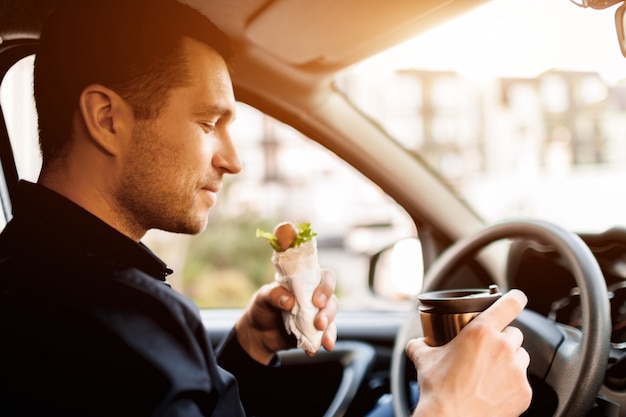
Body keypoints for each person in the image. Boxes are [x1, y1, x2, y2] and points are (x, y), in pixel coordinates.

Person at [0, 0, 531, 416]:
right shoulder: (112, 323)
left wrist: (249, 347)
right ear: (107, 119)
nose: (233, 161)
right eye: (209, 124)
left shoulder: (42, 280)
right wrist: (454, 409)